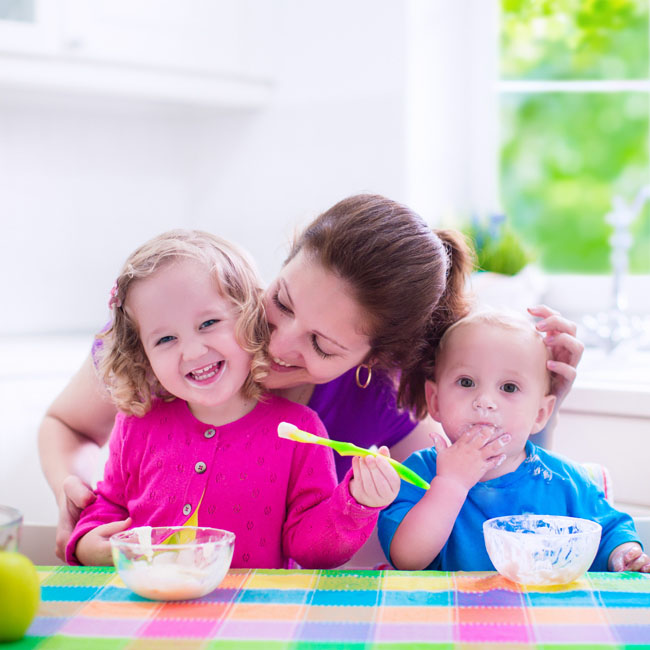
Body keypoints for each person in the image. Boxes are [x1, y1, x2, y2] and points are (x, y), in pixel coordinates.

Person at [39, 194, 585, 561]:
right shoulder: (181, 334)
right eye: (280, 301)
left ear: (373, 361)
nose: (278, 343)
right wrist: (80, 491)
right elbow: (66, 425)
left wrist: (543, 406)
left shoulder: (381, 400)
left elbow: (475, 496)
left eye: (322, 345)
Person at [66, 229, 400, 568]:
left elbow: (313, 552)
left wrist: (358, 503)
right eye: (165, 339)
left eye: (209, 322)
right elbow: (110, 504)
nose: (193, 350)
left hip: (254, 612)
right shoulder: (137, 420)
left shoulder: (299, 430)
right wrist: (86, 541)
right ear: (143, 354)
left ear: (250, 316)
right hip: (149, 604)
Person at [377, 309, 649, 573]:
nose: (484, 401)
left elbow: (610, 530)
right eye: (466, 382)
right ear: (435, 400)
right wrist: (451, 484)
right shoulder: (416, 473)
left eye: (509, 387)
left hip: (542, 615)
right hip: (449, 614)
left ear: (541, 413)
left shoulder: (563, 479)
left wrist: (623, 554)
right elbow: (407, 559)